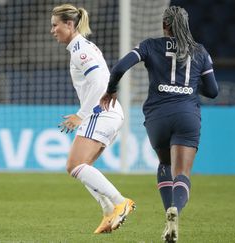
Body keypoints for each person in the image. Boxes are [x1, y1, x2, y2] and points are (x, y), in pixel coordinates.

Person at [100, 6, 218, 243]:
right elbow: (213, 91)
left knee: (165, 164)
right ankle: (175, 213)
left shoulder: (149, 45)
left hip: (157, 116)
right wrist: (191, 85)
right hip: (187, 115)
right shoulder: (200, 52)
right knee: (182, 172)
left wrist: (111, 90)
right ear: (186, 24)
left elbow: (120, 67)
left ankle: (167, 215)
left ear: (165, 24)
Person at [50, 4, 136, 234]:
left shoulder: (80, 50)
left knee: (74, 165)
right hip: (110, 113)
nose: (53, 30)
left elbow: (100, 82)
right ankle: (108, 210)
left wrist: (82, 114)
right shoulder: (80, 47)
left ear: (69, 24)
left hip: (102, 112)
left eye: (55, 25)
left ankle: (120, 202)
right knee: (82, 166)